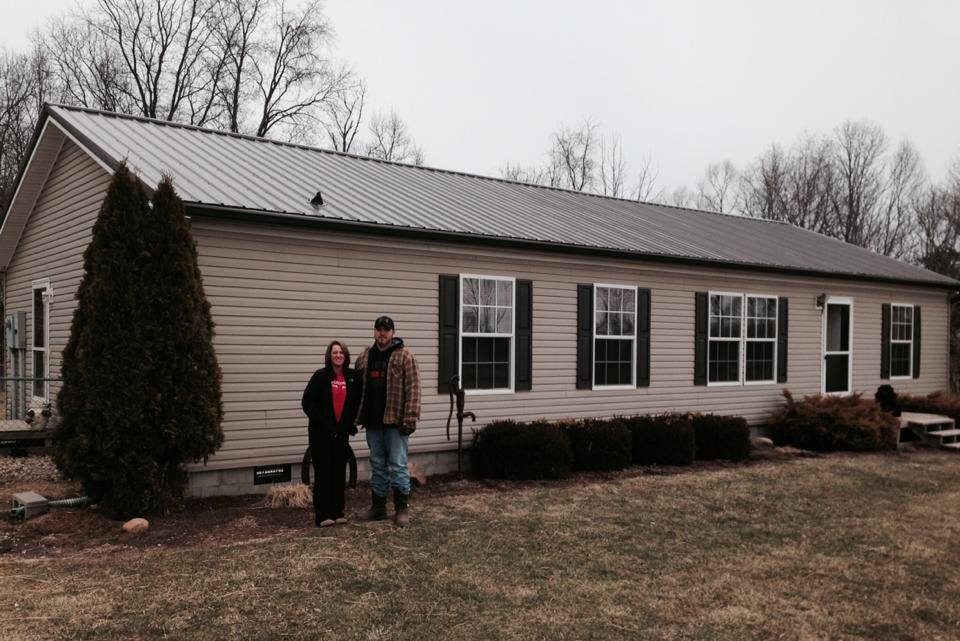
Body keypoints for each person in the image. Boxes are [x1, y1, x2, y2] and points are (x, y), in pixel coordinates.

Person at [354, 315, 421, 527]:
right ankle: (378, 508)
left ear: (392, 333)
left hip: (395, 423)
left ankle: (402, 510)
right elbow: (357, 388)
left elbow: (414, 389)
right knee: (377, 465)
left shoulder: (404, 356)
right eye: (379, 329)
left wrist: (410, 418)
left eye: (386, 330)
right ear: (374, 332)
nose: (382, 333)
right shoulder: (365, 357)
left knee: (398, 466)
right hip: (373, 422)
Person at [301, 341, 362, 527]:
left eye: (341, 352)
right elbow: (307, 403)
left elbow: (355, 404)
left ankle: (337, 511)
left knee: (338, 472)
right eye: (334, 352)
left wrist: (349, 425)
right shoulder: (320, 376)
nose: (338, 355)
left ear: (346, 355)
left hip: (341, 434)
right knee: (323, 473)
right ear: (329, 356)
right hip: (321, 434)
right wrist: (325, 424)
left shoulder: (352, 377)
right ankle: (322, 515)